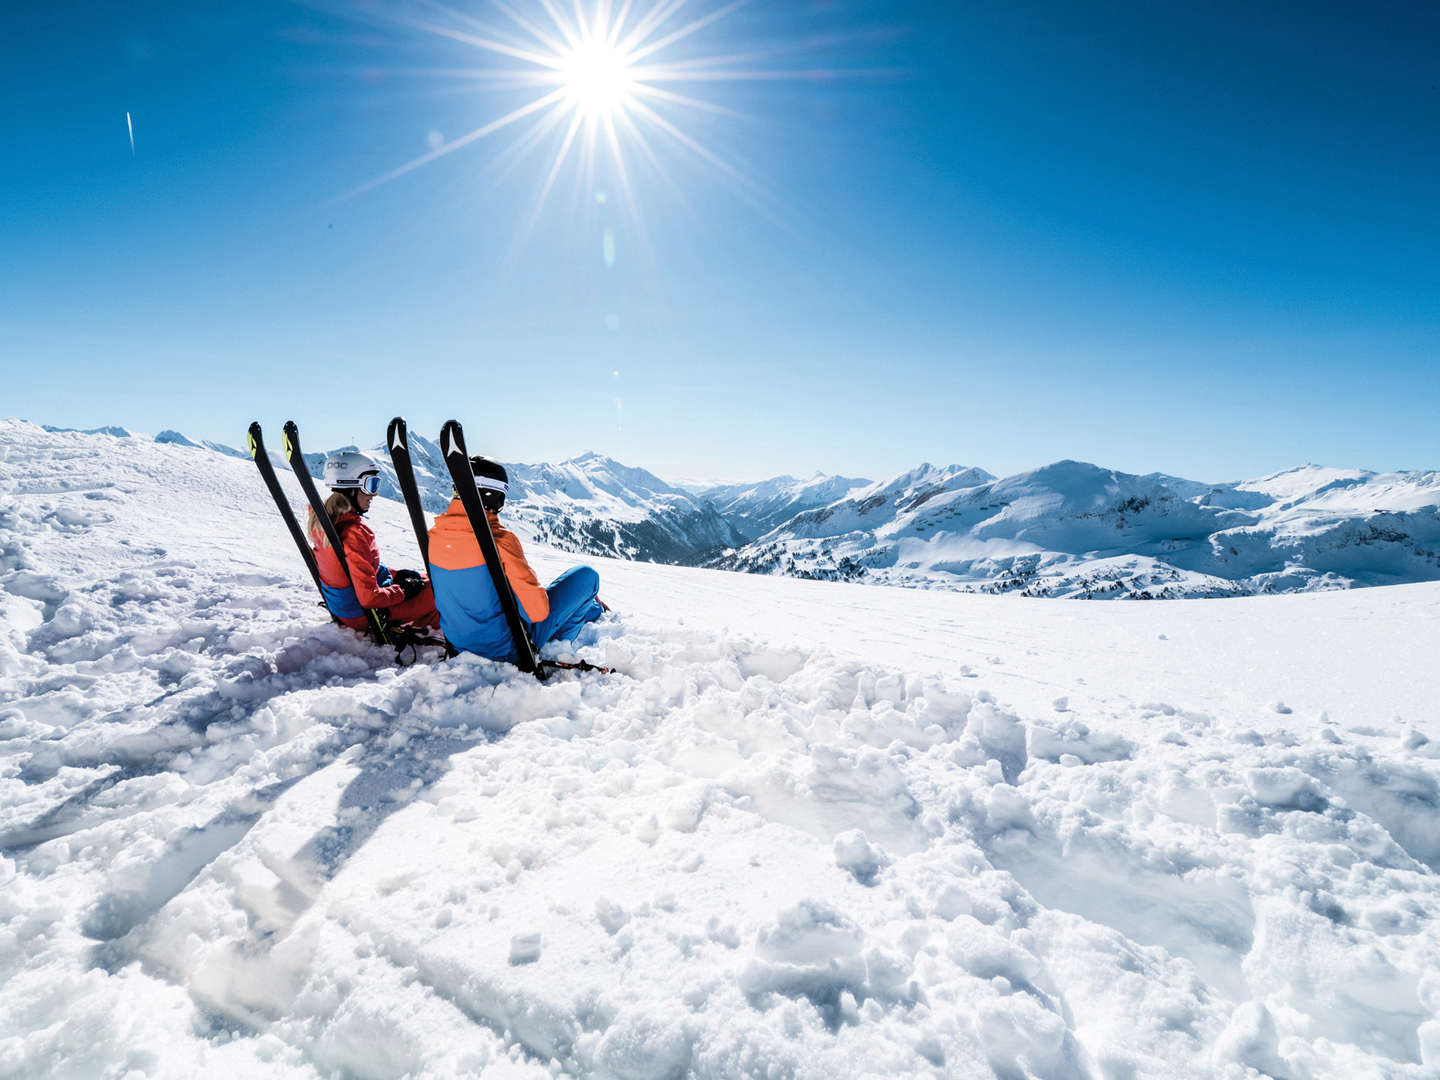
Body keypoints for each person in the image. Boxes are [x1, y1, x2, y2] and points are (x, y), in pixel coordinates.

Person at [428, 455, 605, 663]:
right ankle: (556, 647)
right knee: (587, 576)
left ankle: (584, 613)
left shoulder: (434, 537)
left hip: (460, 645)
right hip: (505, 648)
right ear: (492, 497)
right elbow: (536, 613)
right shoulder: (499, 540)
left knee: (582, 604)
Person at [307, 451, 441, 635]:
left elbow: (359, 569)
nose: (375, 494)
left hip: (350, 611)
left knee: (427, 580)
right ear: (351, 487)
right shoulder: (354, 533)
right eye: (371, 485)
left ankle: (435, 623)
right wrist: (403, 589)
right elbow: (369, 597)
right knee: (442, 588)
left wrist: (397, 575)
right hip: (367, 615)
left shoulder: (325, 524)